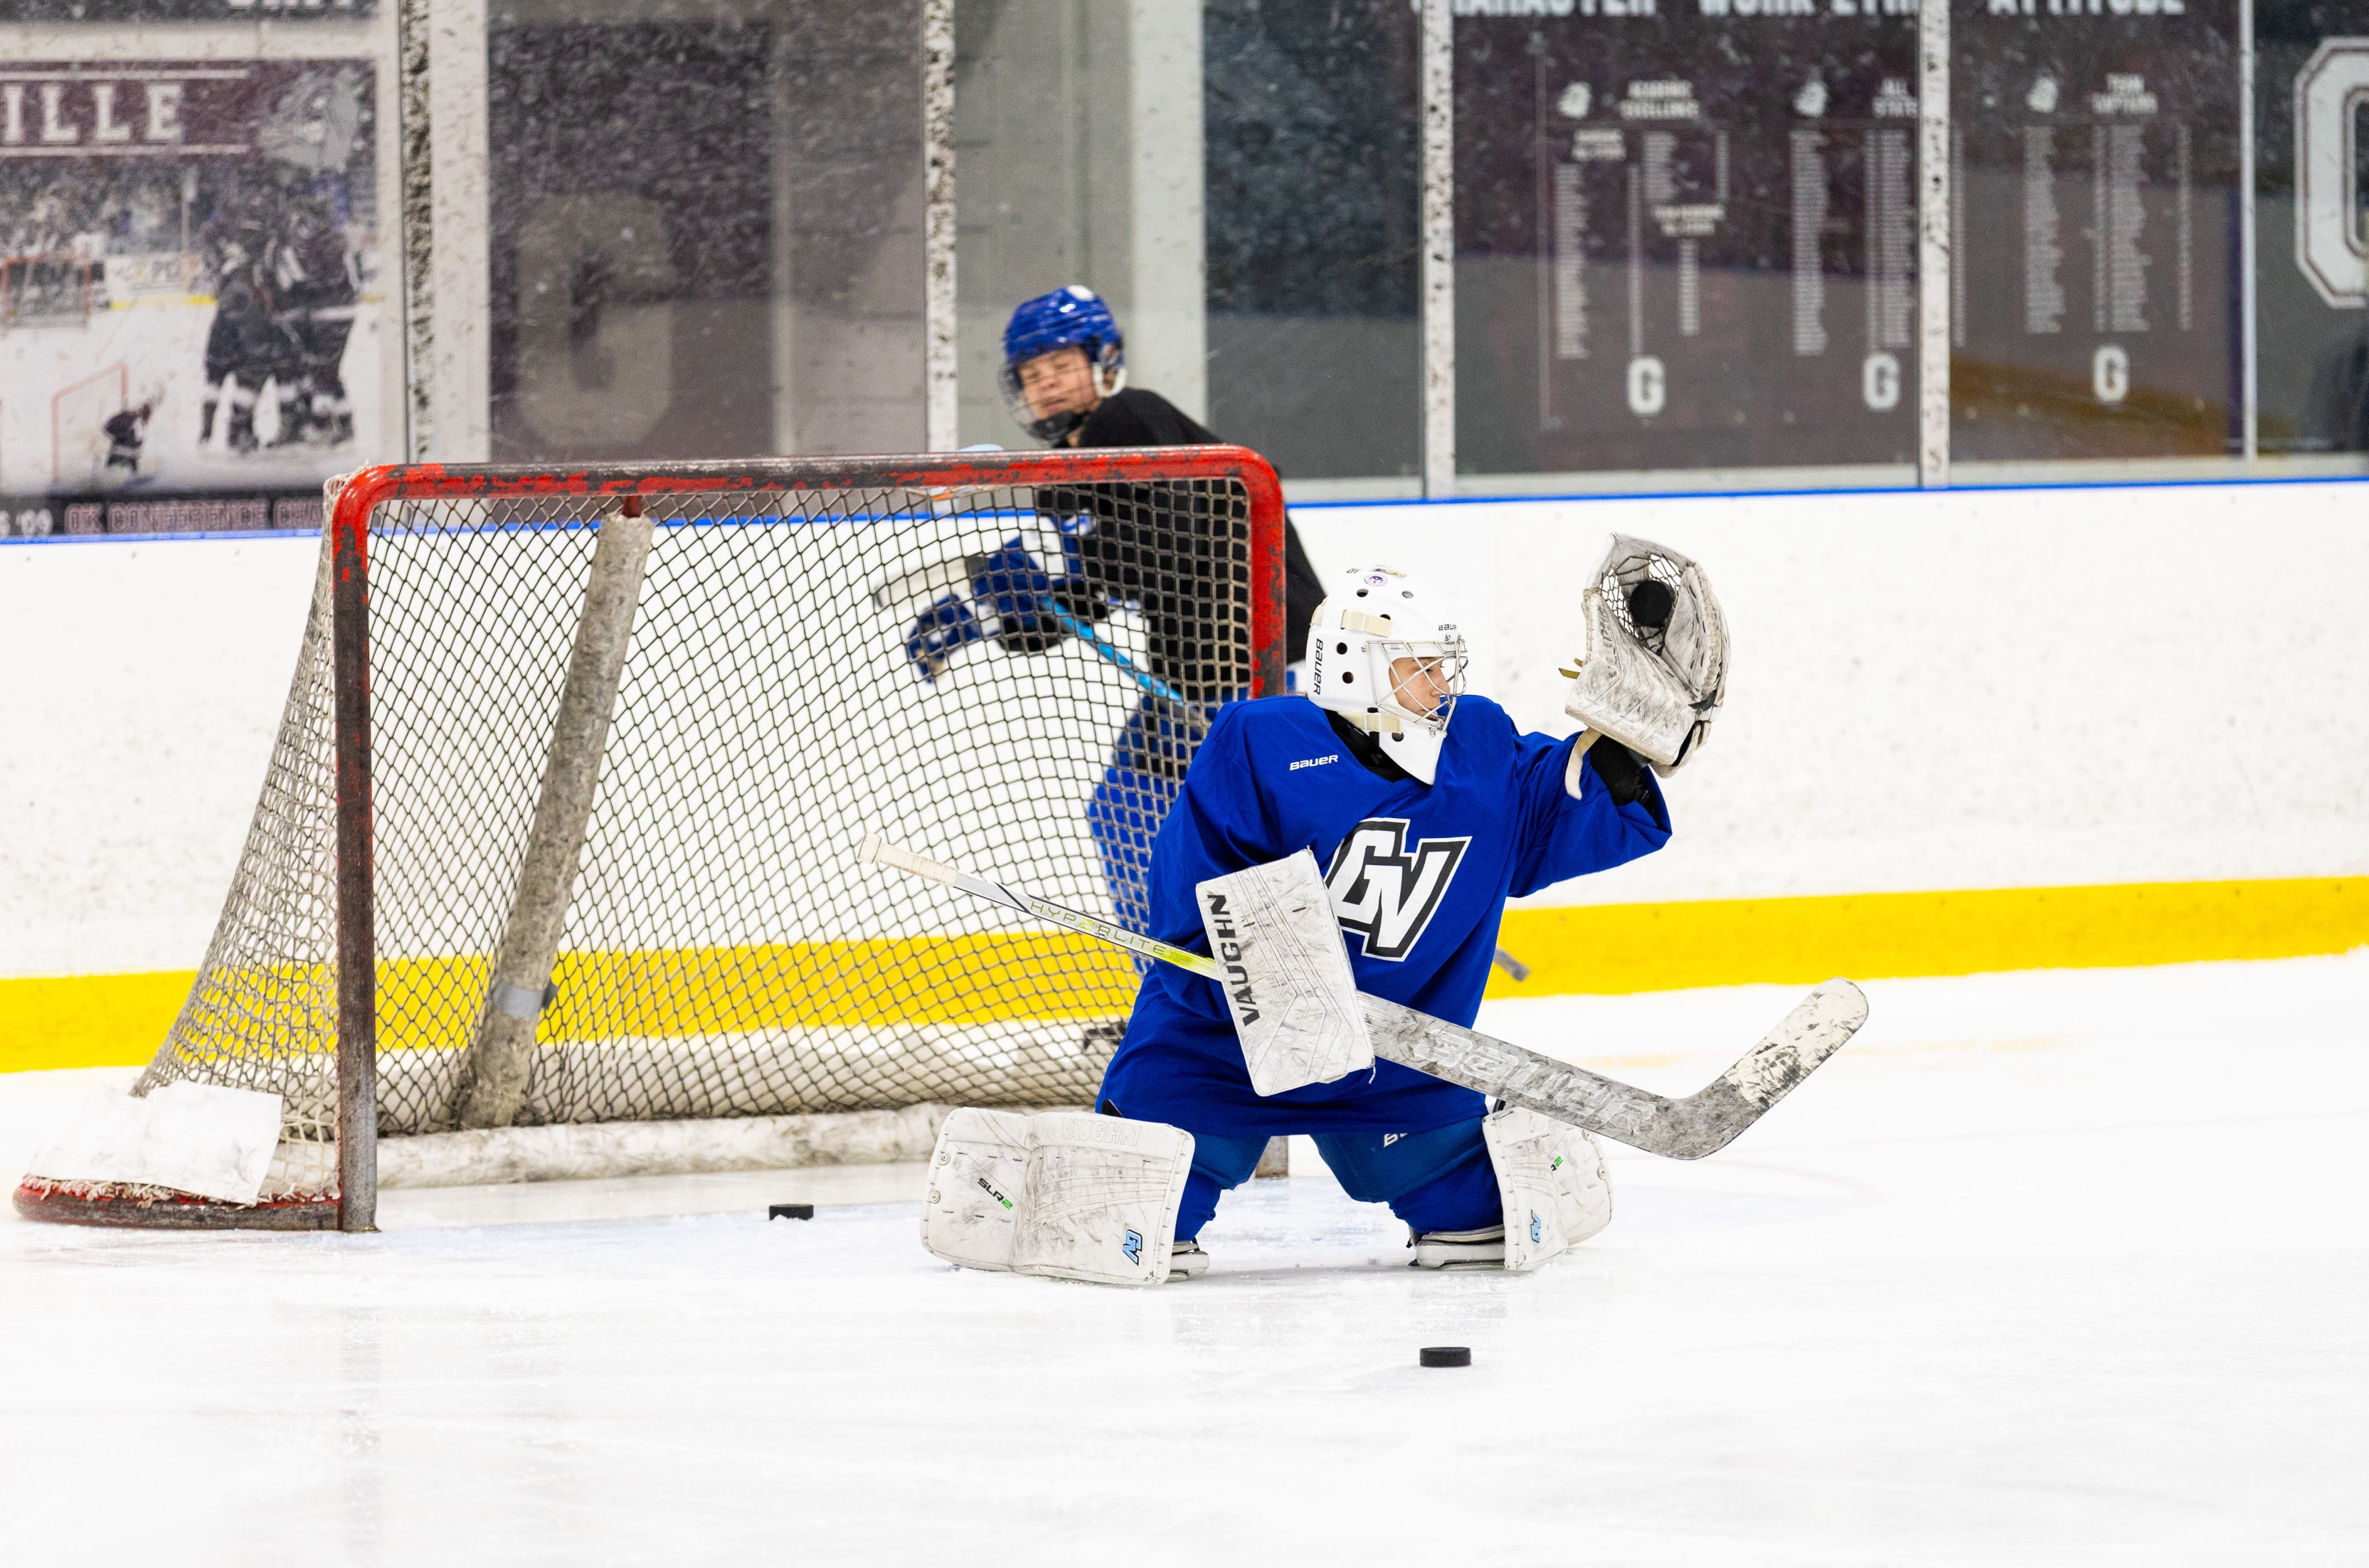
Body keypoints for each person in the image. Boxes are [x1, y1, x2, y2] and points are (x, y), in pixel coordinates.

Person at [1093, 563, 1676, 1275]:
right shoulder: (1258, 744)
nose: (1441, 684)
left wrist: (1625, 747)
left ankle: (1435, 1175)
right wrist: (1264, 1000)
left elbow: (1561, 811)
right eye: (1419, 666)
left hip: (1397, 1064)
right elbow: (1198, 896)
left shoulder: (1479, 743)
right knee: (1127, 1214)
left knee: (1485, 1219)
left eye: (1442, 665)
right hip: (1224, 1051)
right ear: (1351, 667)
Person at [906, 285, 1324, 939]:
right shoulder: (1065, 473)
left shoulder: (1128, 419)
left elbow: (1165, 538)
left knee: (1174, 828)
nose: (1046, 385)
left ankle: (1225, 990)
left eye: (1060, 366)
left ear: (1101, 362)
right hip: (1195, 671)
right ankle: (1178, 987)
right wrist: (990, 616)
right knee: (1130, 812)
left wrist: (1045, 565)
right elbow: (1085, 597)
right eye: (1031, 373)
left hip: (1247, 662)